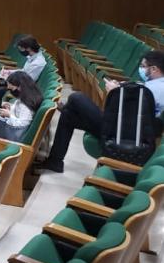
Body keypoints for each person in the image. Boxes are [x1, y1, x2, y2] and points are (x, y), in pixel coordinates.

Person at [36, 50, 164, 173]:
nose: (141, 69)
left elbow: (131, 111)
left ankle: (68, 109)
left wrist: (116, 92)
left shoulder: (155, 88)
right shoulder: (152, 85)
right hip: (124, 127)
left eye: (143, 66)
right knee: (68, 115)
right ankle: (55, 161)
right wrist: (122, 87)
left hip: (125, 132)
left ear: (154, 69)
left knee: (77, 97)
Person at [0, 35, 46, 110]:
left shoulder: (38, 63)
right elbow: (23, 71)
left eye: (21, 49)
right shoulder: (31, 57)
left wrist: (8, 78)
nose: (21, 51)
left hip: (19, 89)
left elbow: (27, 81)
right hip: (15, 84)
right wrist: (9, 72)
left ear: (28, 48)